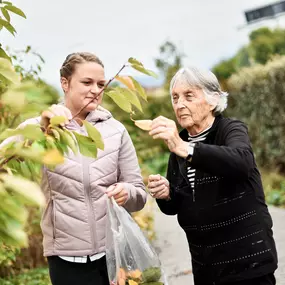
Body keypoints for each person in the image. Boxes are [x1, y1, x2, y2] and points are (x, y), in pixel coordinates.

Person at [1, 52, 147, 285]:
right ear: (65, 83)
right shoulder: (42, 127)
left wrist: (127, 192)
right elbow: (4, 158)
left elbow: (139, 195)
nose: (95, 90)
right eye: (87, 82)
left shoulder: (116, 131)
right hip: (65, 261)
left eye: (101, 84)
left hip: (114, 257)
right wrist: (42, 127)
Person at [147, 67, 278, 285]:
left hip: (247, 264)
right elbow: (176, 205)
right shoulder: (178, 146)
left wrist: (185, 148)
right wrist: (167, 193)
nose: (179, 104)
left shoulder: (231, 130)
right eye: (175, 98)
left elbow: (241, 162)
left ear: (213, 99)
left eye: (189, 96)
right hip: (206, 267)